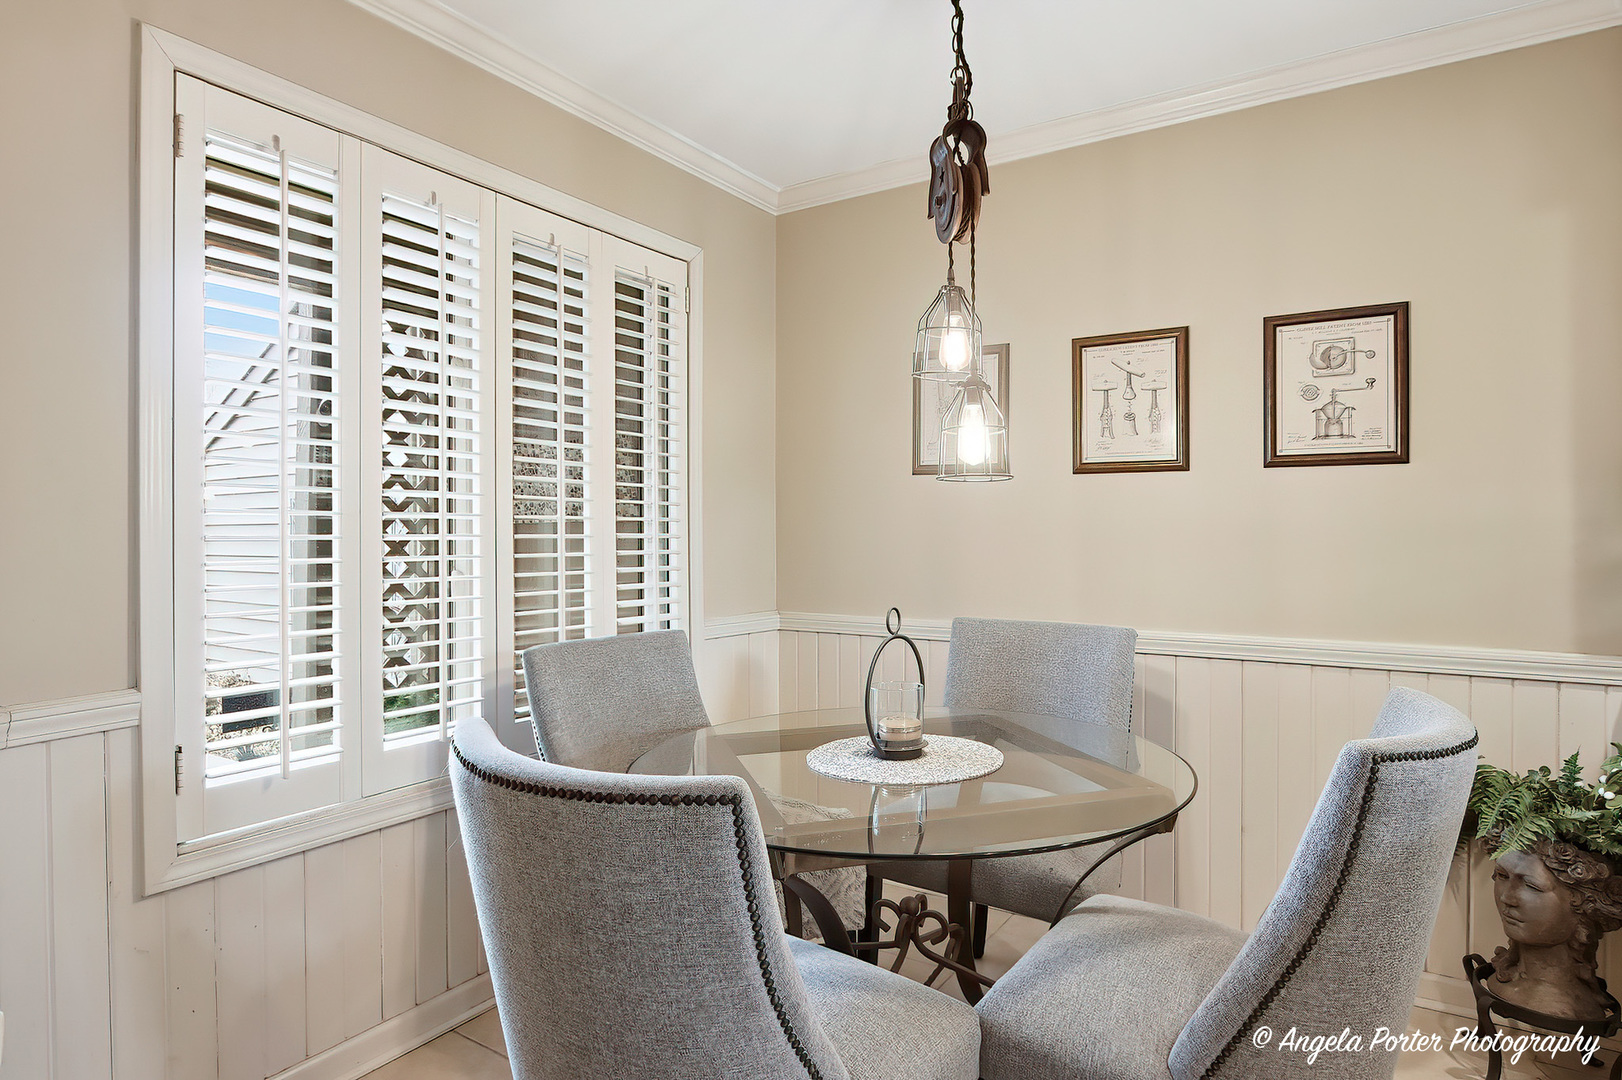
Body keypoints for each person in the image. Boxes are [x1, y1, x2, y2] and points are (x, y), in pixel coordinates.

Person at [1489, 835, 1622, 1020]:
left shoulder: (1568, 1008)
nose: (1507, 898)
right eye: (1502, 876)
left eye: (1532, 886)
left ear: (1585, 905)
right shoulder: (1505, 976)